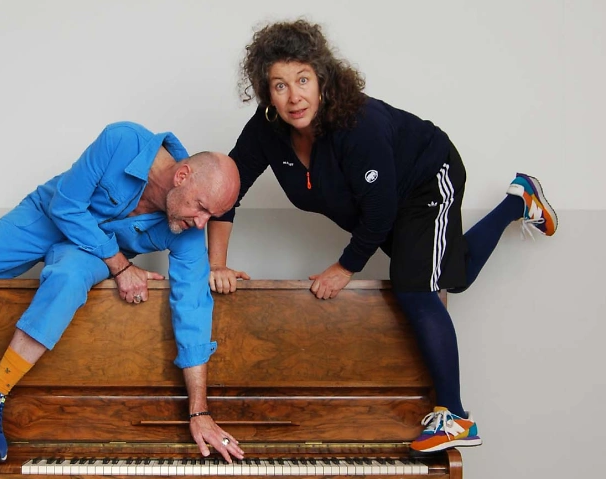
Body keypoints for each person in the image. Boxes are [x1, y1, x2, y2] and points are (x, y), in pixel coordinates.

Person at [207, 20, 557, 454]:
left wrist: (344, 268)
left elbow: (380, 211)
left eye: (303, 80)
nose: (294, 96)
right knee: (452, 277)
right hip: (384, 201)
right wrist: (216, 265)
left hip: (427, 175)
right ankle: (519, 201)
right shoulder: (266, 130)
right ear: (266, 92)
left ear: (322, 79)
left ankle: (455, 416)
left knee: (416, 287)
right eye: (280, 85)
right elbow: (226, 190)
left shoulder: (357, 124)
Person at [0, 121, 246, 463]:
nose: (202, 223)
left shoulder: (187, 229)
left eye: (211, 216)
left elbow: (193, 310)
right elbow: (65, 205)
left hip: (90, 254)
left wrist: (199, 411)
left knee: (68, 279)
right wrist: (121, 266)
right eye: (201, 208)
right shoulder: (122, 140)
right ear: (182, 176)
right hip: (48, 217)